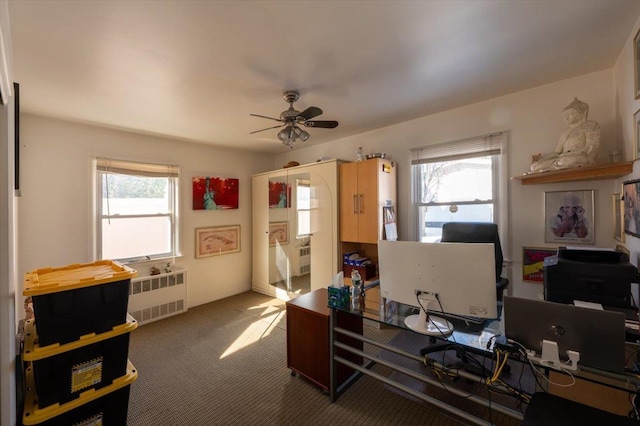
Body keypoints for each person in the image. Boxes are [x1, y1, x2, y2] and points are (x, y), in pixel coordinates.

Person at [530, 98, 600, 173]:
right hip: (561, 157)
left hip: (579, 156)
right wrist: (544, 159)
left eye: (570, 114)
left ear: (580, 113)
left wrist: (580, 153)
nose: (567, 117)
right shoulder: (565, 133)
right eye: (565, 115)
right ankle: (554, 166)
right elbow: (557, 152)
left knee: (564, 161)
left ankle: (556, 166)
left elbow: (592, 146)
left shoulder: (590, 125)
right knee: (534, 166)